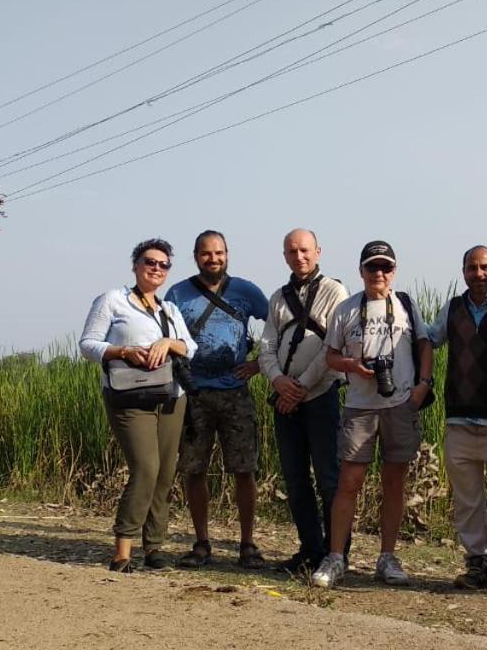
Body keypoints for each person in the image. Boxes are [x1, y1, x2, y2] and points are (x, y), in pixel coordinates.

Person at [311, 240, 433, 588]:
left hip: (400, 404)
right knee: (348, 483)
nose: (379, 273)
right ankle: (336, 557)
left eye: (386, 267)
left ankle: (387, 557)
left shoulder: (406, 305)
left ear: (394, 271)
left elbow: (424, 345)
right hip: (360, 407)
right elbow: (330, 356)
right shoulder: (346, 309)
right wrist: (353, 365)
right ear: (361, 271)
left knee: (394, 484)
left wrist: (423, 385)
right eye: (372, 267)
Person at [79, 238, 196, 572]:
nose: (156, 268)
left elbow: (192, 347)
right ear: (135, 265)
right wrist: (123, 352)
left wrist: (169, 342)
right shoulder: (113, 300)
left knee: (164, 473)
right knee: (145, 468)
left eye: (164, 264)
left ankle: (154, 547)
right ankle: (123, 550)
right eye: (150, 262)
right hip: (129, 397)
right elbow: (87, 345)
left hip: (171, 397)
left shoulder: (169, 309)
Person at [164, 230, 269, 569]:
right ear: (196, 256)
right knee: (193, 470)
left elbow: (278, 326)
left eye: (219, 253)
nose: (214, 259)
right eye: (207, 254)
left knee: (244, 469)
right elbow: (164, 337)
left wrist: (259, 363)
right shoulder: (178, 294)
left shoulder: (246, 291)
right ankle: (201, 543)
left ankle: (247, 545)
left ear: (227, 254)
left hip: (235, 392)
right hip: (193, 393)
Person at [425, 245, 487, 591]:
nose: (478, 274)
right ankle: (476, 565)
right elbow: (428, 340)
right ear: (463, 271)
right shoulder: (452, 309)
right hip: (460, 421)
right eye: (471, 268)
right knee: (467, 501)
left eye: (484, 267)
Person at [258, 228, 350, 574]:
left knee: (329, 478)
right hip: (285, 399)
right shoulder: (278, 298)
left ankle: (336, 551)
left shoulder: (335, 291)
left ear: (318, 252)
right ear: (285, 256)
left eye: (305, 250)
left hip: (322, 397)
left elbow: (333, 348)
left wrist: (300, 388)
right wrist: (279, 382)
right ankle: (309, 549)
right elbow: (267, 345)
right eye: (292, 251)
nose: (299, 257)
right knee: (295, 480)